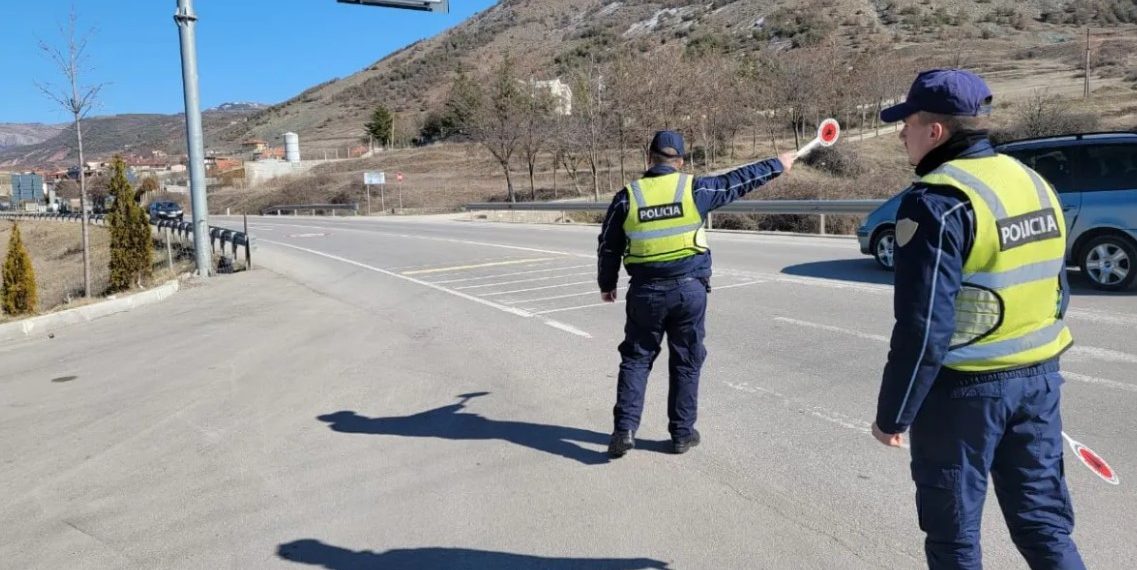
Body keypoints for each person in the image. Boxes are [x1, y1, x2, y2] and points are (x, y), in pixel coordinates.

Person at [870, 69, 1085, 569]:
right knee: (1043, 524)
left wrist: (893, 415)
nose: (902, 132)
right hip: (1039, 382)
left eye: (908, 122)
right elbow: (1057, 288)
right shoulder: (1032, 181)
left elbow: (924, 327)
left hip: (964, 396)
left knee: (954, 538)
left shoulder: (937, 202)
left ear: (936, 131)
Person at [598, 130, 797, 458]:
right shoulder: (694, 188)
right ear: (680, 161)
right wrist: (777, 164)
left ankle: (624, 430)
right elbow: (737, 180)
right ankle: (681, 434)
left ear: (649, 158)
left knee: (636, 359)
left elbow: (608, 245)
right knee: (686, 361)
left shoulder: (627, 197)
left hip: (645, 291)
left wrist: (607, 283)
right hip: (689, 290)